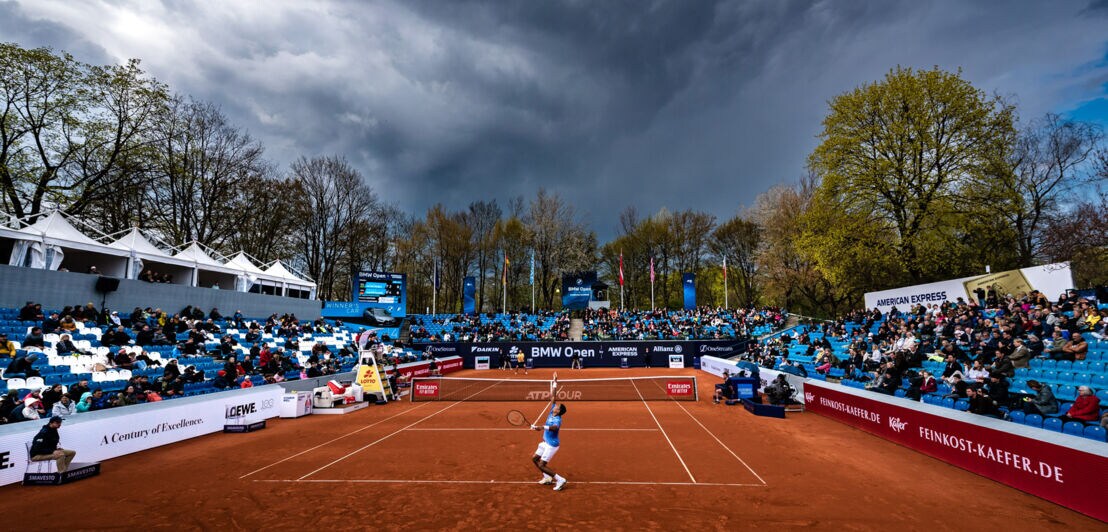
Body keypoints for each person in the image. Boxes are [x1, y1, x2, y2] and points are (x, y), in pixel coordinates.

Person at [530, 400, 568, 491]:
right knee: (535, 459)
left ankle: (561, 480)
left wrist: (542, 427)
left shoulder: (557, 419)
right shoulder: (552, 412)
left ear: (558, 411)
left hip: (552, 445)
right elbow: (553, 399)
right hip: (545, 443)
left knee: (542, 465)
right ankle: (547, 478)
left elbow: (555, 428)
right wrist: (553, 390)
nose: (555, 406)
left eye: (557, 407)